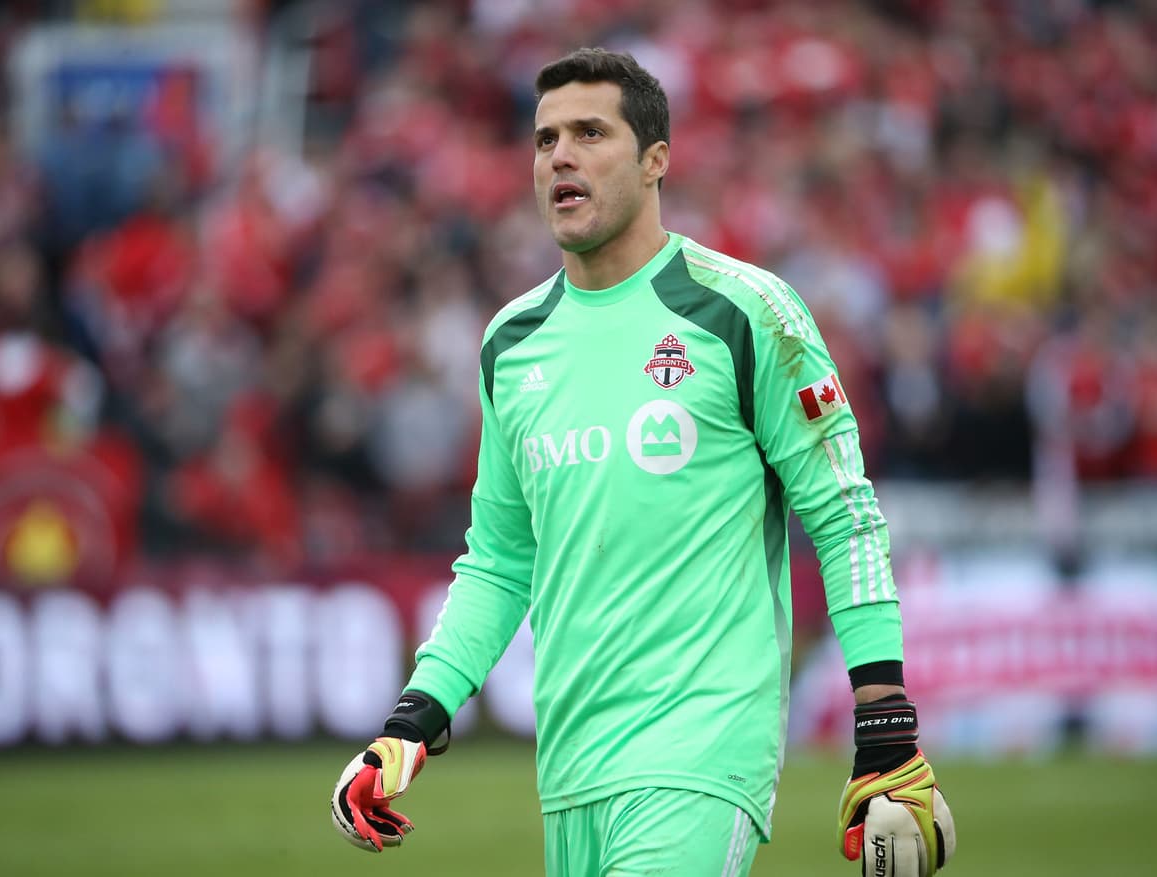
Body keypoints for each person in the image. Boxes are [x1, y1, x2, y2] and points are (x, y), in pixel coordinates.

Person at [330, 47, 956, 876]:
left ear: (656, 159)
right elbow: (499, 559)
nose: (561, 154)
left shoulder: (745, 312)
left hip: (702, 750)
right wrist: (413, 717)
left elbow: (845, 517)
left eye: (591, 132)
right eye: (546, 136)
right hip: (572, 765)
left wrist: (884, 716)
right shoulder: (511, 345)